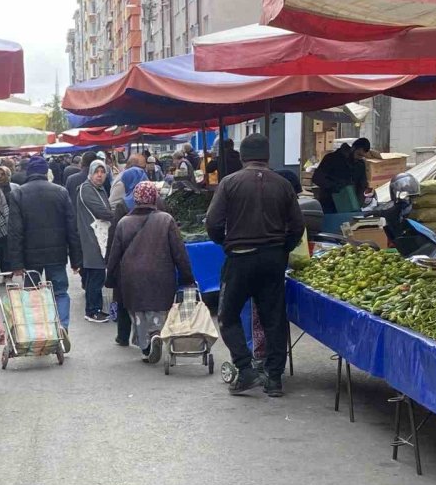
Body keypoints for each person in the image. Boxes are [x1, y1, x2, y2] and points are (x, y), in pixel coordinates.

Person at [205, 134, 305, 397]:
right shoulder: (283, 185)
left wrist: (225, 242)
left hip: (240, 257)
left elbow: (212, 223)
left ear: (242, 157)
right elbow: (297, 226)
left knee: (227, 315)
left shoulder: (229, 183)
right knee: (274, 318)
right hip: (273, 259)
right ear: (267, 156)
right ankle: (274, 379)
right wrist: (283, 248)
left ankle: (245, 368)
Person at [106, 181, 195, 363]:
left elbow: (114, 255)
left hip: (132, 278)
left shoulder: (124, 223)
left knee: (138, 314)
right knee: (158, 311)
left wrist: (110, 280)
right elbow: (179, 252)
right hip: (160, 275)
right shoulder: (166, 220)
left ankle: (146, 347)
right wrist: (187, 277)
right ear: (155, 197)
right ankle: (156, 333)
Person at [7, 155, 80, 339]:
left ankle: (38, 333)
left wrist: (16, 263)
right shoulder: (61, 192)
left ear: (29, 172)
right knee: (60, 292)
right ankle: (62, 326)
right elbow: (72, 228)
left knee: (32, 295)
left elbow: (15, 231)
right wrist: (76, 259)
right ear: (45, 172)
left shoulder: (18, 193)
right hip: (57, 254)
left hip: (30, 257)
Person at [107, 166, 150, 346]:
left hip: (127, 259)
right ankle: (149, 335)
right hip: (153, 256)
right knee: (149, 299)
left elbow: (114, 236)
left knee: (124, 297)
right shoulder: (159, 202)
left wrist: (110, 261)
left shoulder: (123, 205)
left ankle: (123, 335)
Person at [76, 159, 114, 323]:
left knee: (96, 274)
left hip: (97, 236)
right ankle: (92, 310)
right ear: (90, 173)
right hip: (92, 237)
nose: (100, 175)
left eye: (102, 172)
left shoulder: (98, 189)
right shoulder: (87, 189)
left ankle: (96, 308)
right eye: (96, 172)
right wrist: (116, 215)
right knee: (96, 273)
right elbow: (101, 211)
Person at [312, 138, 371, 212]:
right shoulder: (331, 158)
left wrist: (359, 202)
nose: (358, 158)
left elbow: (362, 184)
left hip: (350, 204)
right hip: (329, 203)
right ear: (353, 148)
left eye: (362, 156)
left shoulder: (360, 164)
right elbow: (316, 178)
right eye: (358, 154)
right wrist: (335, 186)